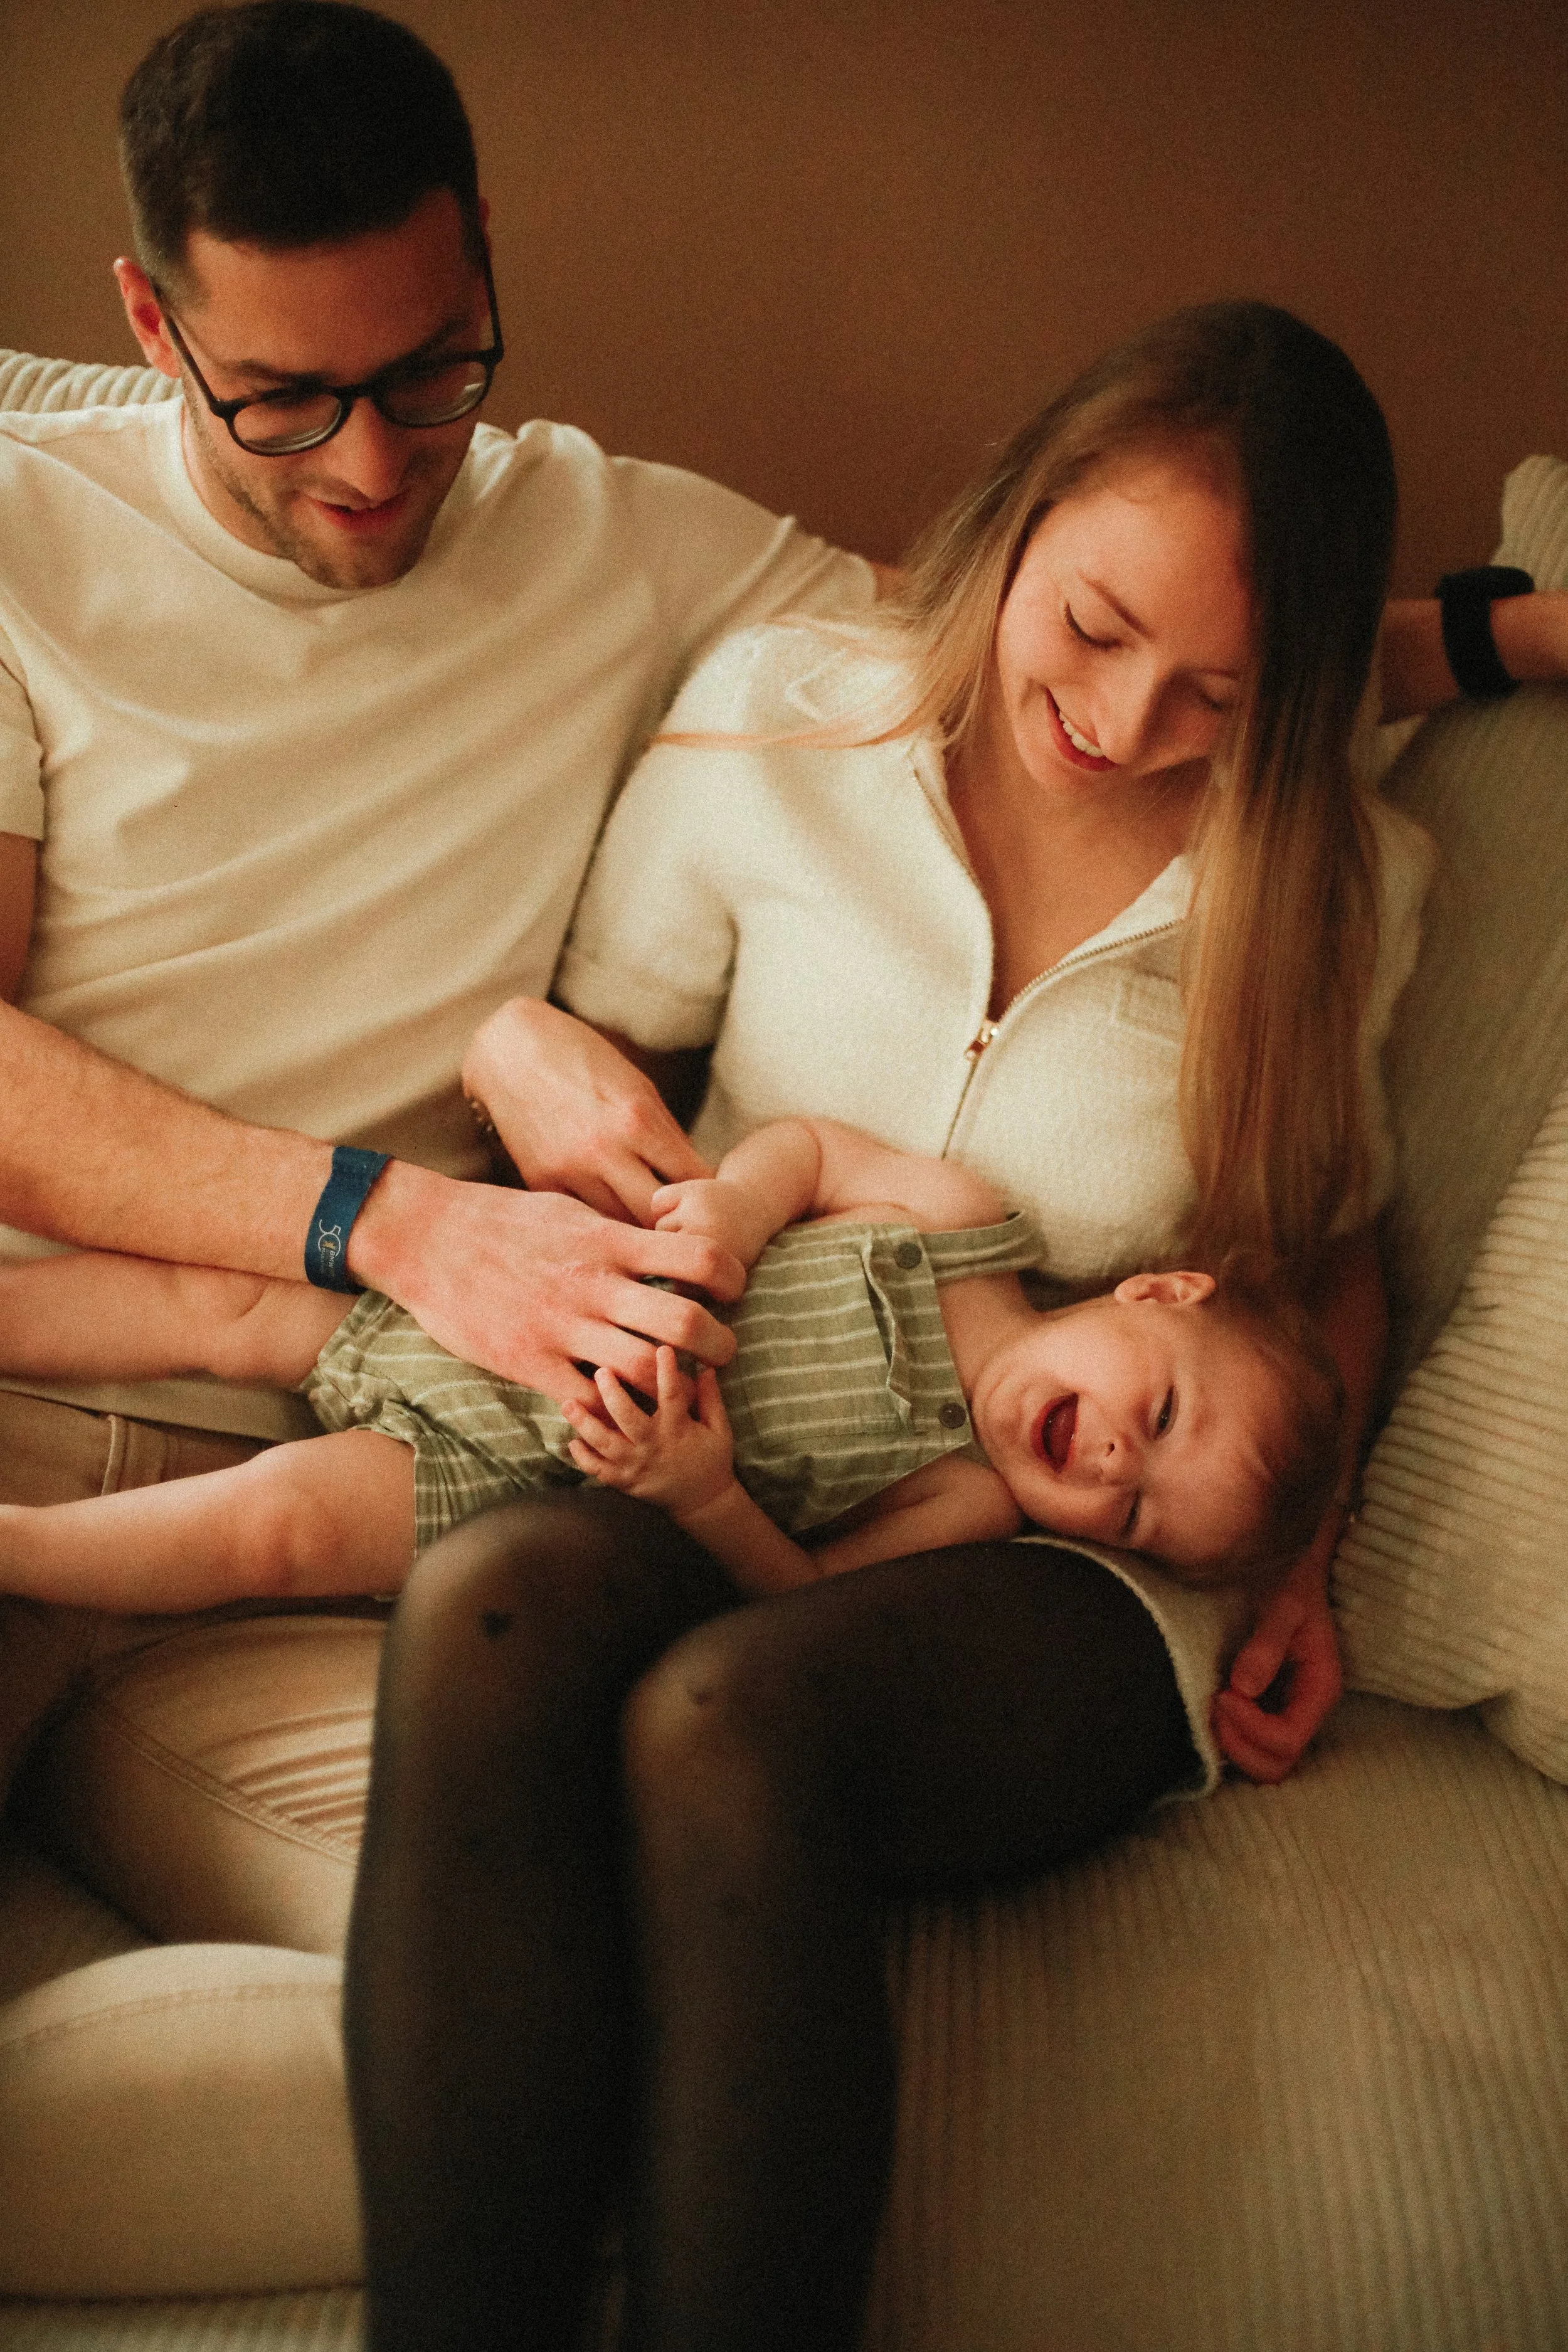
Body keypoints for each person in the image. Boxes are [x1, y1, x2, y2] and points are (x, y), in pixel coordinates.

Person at [337, 300, 1464, 2352]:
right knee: (490, 1599)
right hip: (736, 1421)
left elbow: (1325, 1257)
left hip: (1063, 1560)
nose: (1121, 720)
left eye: (1215, 692)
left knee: (729, 1715)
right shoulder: (777, 720)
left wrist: (1301, 1554)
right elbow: (594, 1068)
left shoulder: (1330, 881)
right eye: (1093, 627)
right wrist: (523, 1068)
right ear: (1020, 516)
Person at [0, 0, 879, 1960]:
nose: (374, 463)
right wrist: (392, 1221)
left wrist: (1503, 635)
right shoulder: (18, 534)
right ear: (150, 323)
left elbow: (1069, 647)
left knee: (549, 1981)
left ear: (481, 254)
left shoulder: (626, 539)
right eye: (281, 400)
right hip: (32, 1388)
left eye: (429, 370)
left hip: (343, 1495)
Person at [0, 1090, 1343, 1608]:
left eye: (1133, 1515)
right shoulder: (966, 1228)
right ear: (1159, 1291)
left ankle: (21, 1550)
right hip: (510, 1286)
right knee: (217, 1306)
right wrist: (740, 1212)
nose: (1108, 1464)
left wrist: (701, 1493)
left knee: (276, 1530)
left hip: (526, 1470)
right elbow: (810, 1149)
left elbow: (800, 1587)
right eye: (1160, 1419)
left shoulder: (970, 1500)